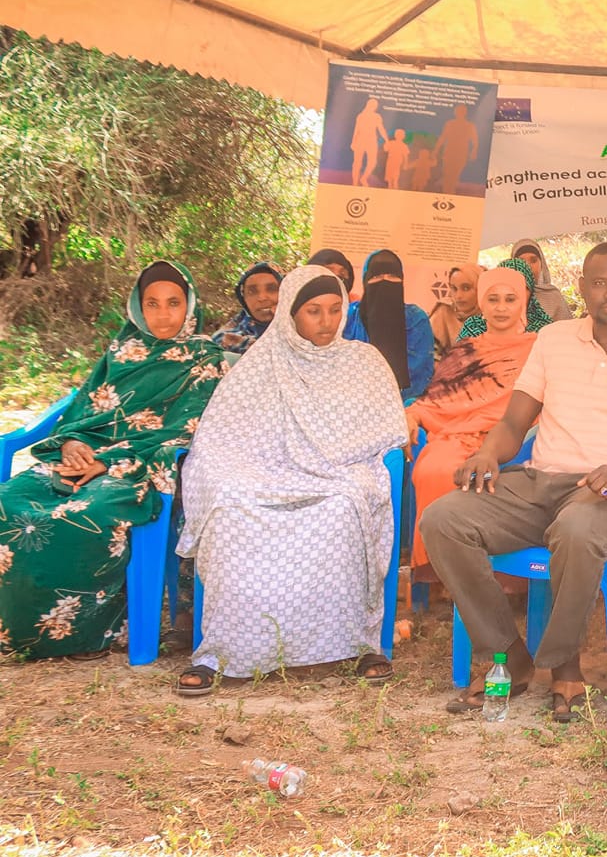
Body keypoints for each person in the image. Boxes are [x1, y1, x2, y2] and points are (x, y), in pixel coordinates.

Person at [420, 242, 607, 721]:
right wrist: (486, 453)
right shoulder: (554, 339)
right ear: (582, 288)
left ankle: (566, 664)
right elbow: (512, 424)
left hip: (603, 489)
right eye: (601, 283)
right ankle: (508, 654)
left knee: (576, 530)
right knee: (442, 518)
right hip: (535, 481)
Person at [175, 266, 406, 691]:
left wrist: (329, 458)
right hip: (264, 472)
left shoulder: (364, 362)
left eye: (336, 310)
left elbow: (387, 430)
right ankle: (221, 654)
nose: (327, 321)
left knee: (345, 504)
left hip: (339, 473)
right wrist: (241, 474)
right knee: (229, 505)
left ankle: (357, 646)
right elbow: (221, 437)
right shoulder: (261, 363)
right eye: (314, 311)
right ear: (290, 314)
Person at [0, 262, 223, 661]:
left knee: (91, 511)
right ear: (137, 307)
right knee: (10, 499)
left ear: (190, 306)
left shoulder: (204, 359)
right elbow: (83, 413)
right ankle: (16, 626)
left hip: (140, 466)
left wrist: (107, 462)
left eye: (173, 303)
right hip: (83, 457)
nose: (163, 313)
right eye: (151, 303)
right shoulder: (120, 353)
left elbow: (188, 430)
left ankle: (87, 632)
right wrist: (70, 446)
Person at [407, 266, 543, 581]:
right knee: (434, 470)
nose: (501, 307)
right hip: (458, 435)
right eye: (493, 299)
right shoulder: (467, 350)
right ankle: (445, 576)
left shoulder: (540, 348)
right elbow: (437, 399)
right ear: (482, 303)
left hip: (516, 440)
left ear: (523, 302)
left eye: (510, 299)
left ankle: (504, 579)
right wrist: (412, 414)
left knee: (497, 475)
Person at [344, 250, 435, 405]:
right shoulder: (349, 316)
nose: (385, 281)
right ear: (365, 281)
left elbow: (420, 370)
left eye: (393, 276)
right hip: (351, 400)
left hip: (405, 404)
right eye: (376, 276)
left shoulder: (415, 319)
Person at [212, 261, 281, 359]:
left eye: (272, 289)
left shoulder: (303, 334)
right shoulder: (221, 342)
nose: (262, 298)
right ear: (243, 298)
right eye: (252, 291)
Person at [511, 238, 574, 322]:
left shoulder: (553, 297)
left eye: (533, 260)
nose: (528, 266)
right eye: (521, 261)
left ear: (542, 264)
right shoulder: (505, 296)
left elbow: (567, 331)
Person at [429, 264, 481, 356]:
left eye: (466, 288)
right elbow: (429, 350)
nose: (458, 296)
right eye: (454, 288)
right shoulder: (445, 309)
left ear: (480, 289)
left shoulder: (492, 314)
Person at [436, 102, 481, 194]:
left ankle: (450, 191)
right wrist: (436, 149)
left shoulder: (469, 125)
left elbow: (475, 140)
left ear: (465, 113)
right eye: (458, 111)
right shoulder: (450, 124)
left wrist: (474, 151)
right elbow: (443, 137)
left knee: (455, 174)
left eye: (461, 111)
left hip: (461, 153)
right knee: (447, 173)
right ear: (455, 112)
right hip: (449, 152)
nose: (459, 113)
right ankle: (447, 191)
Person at [349, 97, 387, 187]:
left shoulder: (376, 116)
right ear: (369, 105)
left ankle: (364, 178)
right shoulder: (361, 116)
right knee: (357, 162)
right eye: (373, 105)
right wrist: (353, 141)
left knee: (372, 162)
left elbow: (381, 128)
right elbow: (357, 129)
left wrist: (386, 140)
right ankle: (355, 182)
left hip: (372, 140)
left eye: (375, 105)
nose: (374, 107)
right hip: (360, 140)